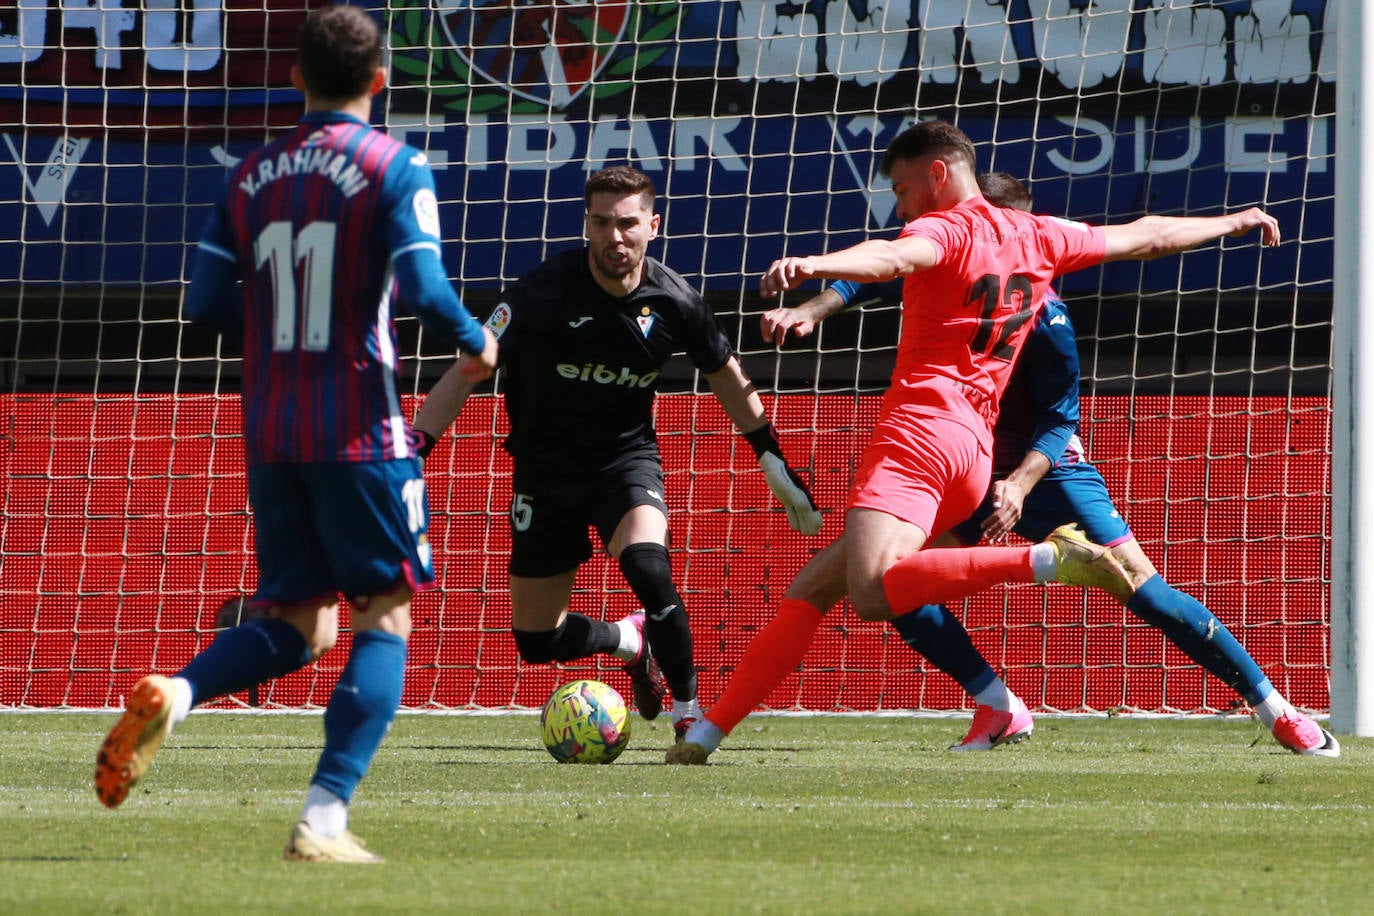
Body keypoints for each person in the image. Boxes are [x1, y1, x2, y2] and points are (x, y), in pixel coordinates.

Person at [668, 122, 1281, 764]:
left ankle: (1049, 561)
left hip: (920, 435)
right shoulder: (1039, 233)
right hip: (974, 450)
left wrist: (815, 263)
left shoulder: (945, 229)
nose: (900, 208)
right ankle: (708, 734)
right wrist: (1233, 221)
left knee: (873, 592)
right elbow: (1146, 236)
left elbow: (891, 258)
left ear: (938, 173)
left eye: (902, 189)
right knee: (817, 585)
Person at [93, 5, 499, 863]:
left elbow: (205, 304)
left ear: (295, 78)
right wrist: (477, 342)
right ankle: (324, 820)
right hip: (360, 429)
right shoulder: (394, 165)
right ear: (379, 80)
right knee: (384, 619)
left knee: (303, 626)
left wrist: (281, 327)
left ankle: (178, 691)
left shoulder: (250, 175)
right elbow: (425, 291)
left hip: (273, 431)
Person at [412, 164, 821, 744]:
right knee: (537, 643)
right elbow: (465, 371)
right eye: (601, 222)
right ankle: (628, 640)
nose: (614, 236)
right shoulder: (540, 292)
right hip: (545, 472)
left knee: (649, 569)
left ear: (653, 225)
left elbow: (726, 375)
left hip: (624, 464)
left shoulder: (675, 300)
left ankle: (689, 713)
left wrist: (769, 456)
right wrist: (415, 450)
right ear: (586, 224)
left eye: (627, 223)